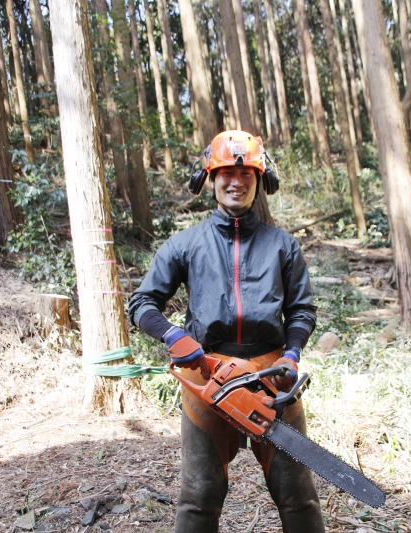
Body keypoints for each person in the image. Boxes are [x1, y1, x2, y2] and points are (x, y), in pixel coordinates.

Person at [128, 130, 325, 533]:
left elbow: (301, 310)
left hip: (272, 375)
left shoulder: (282, 246)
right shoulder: (186, 244)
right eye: (226, 174)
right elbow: (142, 303)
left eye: (246, 174)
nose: (236, 182)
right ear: (210, 178)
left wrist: (291, 354)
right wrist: (173, 336)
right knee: (199, 496)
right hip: (208, 372)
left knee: (298, 493)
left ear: (260, 179)